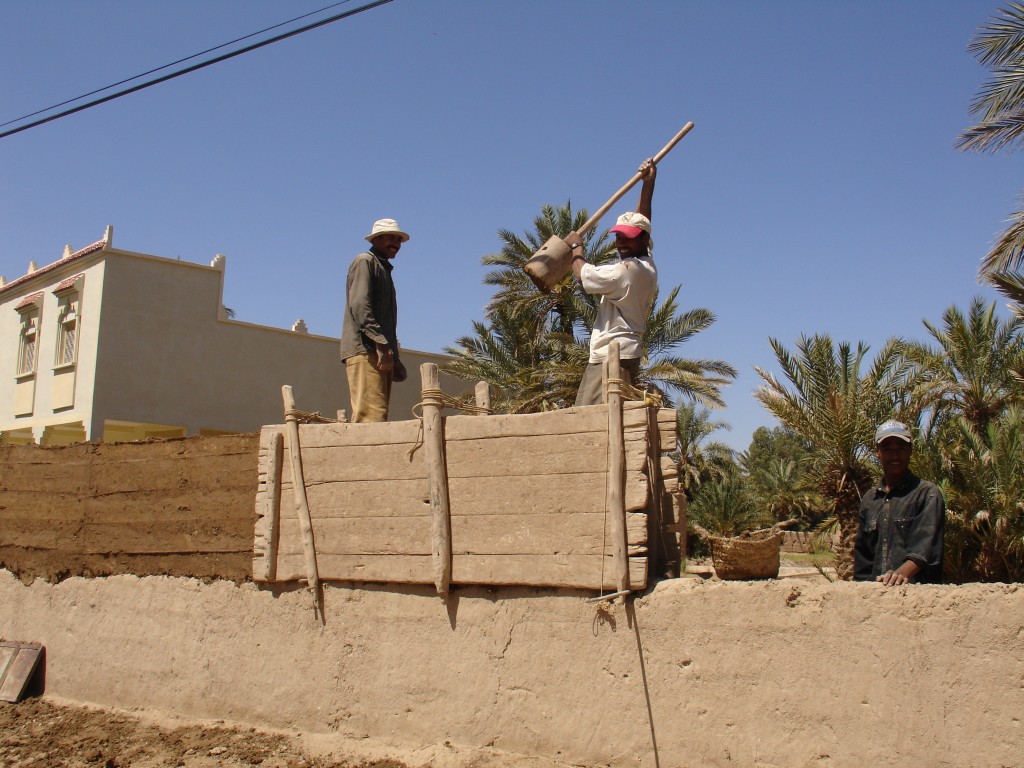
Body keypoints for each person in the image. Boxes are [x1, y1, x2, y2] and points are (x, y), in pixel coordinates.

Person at [565, 159, 658, 406]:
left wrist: (575, 247)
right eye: (618, 237)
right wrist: (648, 184)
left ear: (643, 240)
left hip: (610, 357)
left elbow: (582, 274)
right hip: (624, 354)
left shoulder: (626, 272)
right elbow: (643, 218)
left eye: (627, 239)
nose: (621, 243)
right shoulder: (646, 263)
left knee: (591, 420)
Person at [854, 420, 945, 585]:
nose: (894, 455)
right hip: (877, 597)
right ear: (878, 453)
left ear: (910, 451)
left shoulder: (927, 494)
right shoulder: (870, 499)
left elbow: (925, 550)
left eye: (901, 449)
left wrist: (898, 577)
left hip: (917, 597)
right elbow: (863, 560)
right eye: (887, 449)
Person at [340, 218, 409, 422]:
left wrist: (394, 357)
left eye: (398, 239)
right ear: (376, 239)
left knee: (377, 415)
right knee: (371, 417)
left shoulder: (382, 268)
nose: (395, 243)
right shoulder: (365, 261)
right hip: (366, 350)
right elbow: (361, 306)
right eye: (390, 237)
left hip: (378, 351)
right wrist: (380, 343)